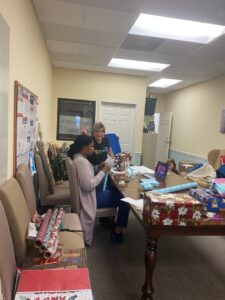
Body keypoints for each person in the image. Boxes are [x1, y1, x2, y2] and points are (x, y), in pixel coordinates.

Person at [67, 135, 129, 246]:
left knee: (114, 190)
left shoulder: (78, 158)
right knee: (125, 199)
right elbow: (89, 185)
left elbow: (88, 174)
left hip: (89, 195)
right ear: (84, 147)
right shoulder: (81, 162)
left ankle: (106, 220)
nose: (93, 149)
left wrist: (98, 167)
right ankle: (117, 232)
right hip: (90, 198)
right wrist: (103, 171)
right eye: (91, 146)